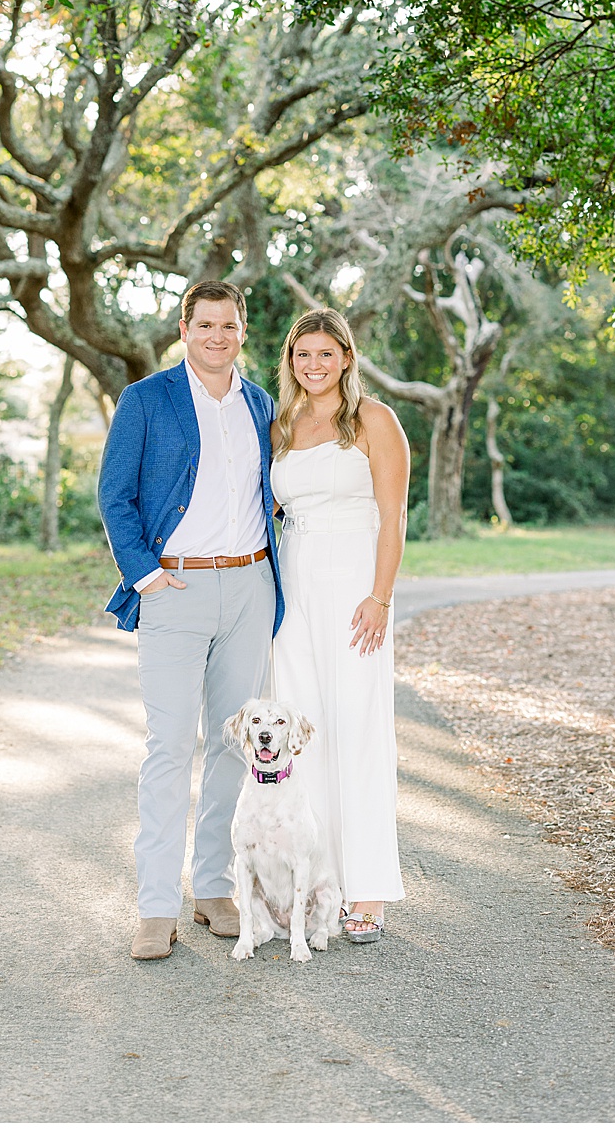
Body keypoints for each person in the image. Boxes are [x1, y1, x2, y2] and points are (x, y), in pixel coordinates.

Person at [97, 280, 284, 961]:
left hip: (250, 584)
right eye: (204, 325)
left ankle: (213, 889)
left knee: (236, 744)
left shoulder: (261, 404)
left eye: (228, 325)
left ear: (242, 331)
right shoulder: (146, 399)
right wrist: (146, 575)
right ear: (184, 330)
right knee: (171, 745)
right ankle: (155, 906)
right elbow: (114, 494)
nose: (217, 336)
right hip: (174, 588)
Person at [268, 308, 409, 941]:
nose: (314, 365)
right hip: (294, 588)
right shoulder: (282, 425)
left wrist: (380, 597)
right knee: (303, 732)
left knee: (358, 727)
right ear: (290, 362)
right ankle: (313, 882)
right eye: (303, 355)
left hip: (355, 586)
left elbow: (393, 516)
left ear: (347, 357)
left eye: (326, 353)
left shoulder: (374, 420)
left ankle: (368, 888)